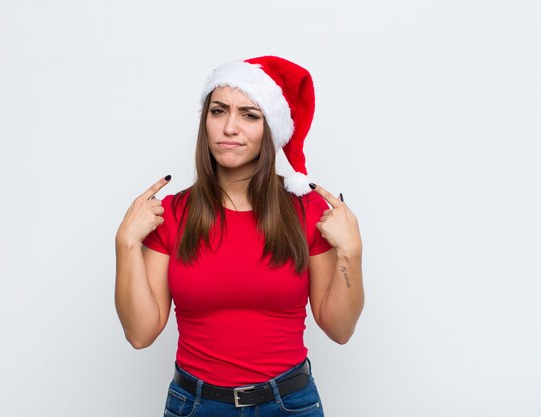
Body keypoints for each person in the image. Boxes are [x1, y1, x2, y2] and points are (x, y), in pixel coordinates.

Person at [115, 56, 364, 417]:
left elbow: (340, 329)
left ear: (270, 129)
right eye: (219, 111)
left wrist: (351, 252)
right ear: (206, 123)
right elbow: (140, 334)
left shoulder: (307, 211)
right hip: (196, 405)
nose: (230, 127)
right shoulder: (170, 214)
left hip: (289, 405)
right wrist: (126, 245)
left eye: (249, 114)